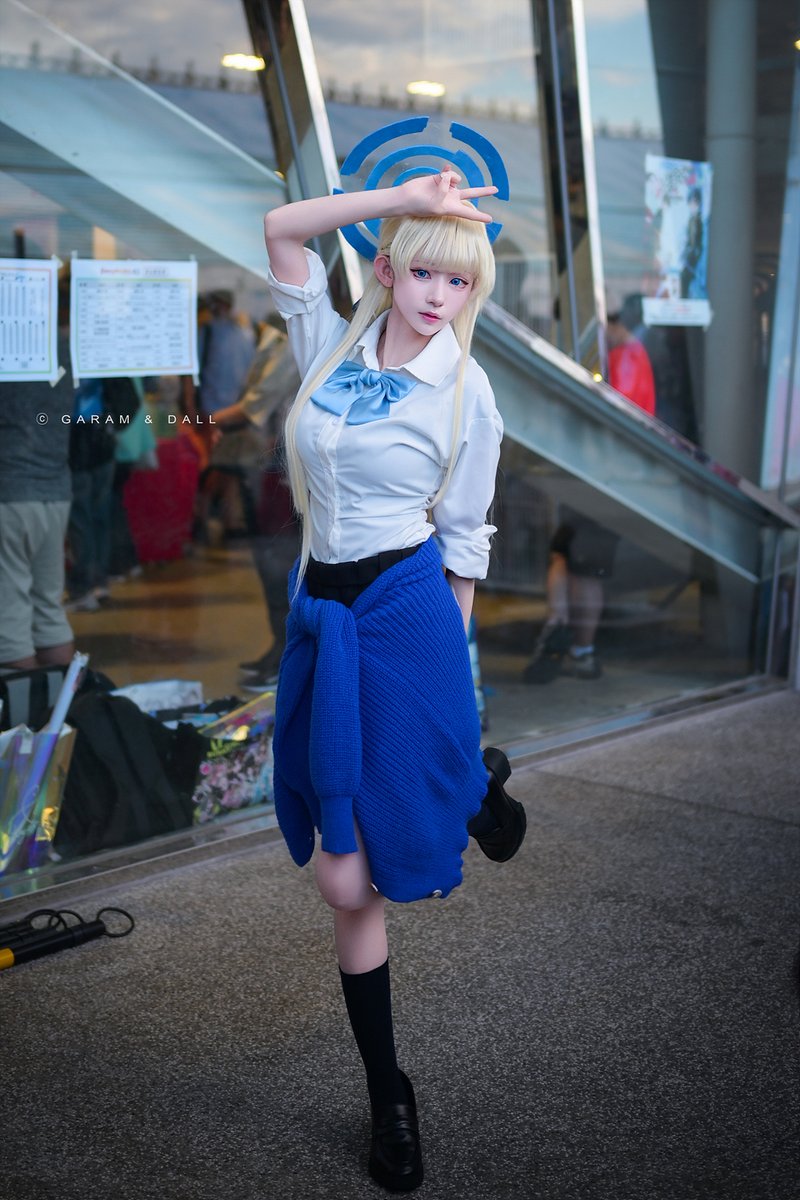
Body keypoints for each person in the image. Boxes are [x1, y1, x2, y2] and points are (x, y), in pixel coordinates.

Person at [263, 166, 527, 1192]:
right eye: (422, 272)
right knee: (343, 879)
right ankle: (391, 1089)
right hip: (322, 612)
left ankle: (466, 776)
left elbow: (464, 539)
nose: (437, 296)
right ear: (386, 267)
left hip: (409, 610)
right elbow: (283, 228)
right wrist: (403, 196)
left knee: (381, 836)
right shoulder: (328, 344)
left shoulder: (468, 391)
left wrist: (448, 683)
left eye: (459, 282)